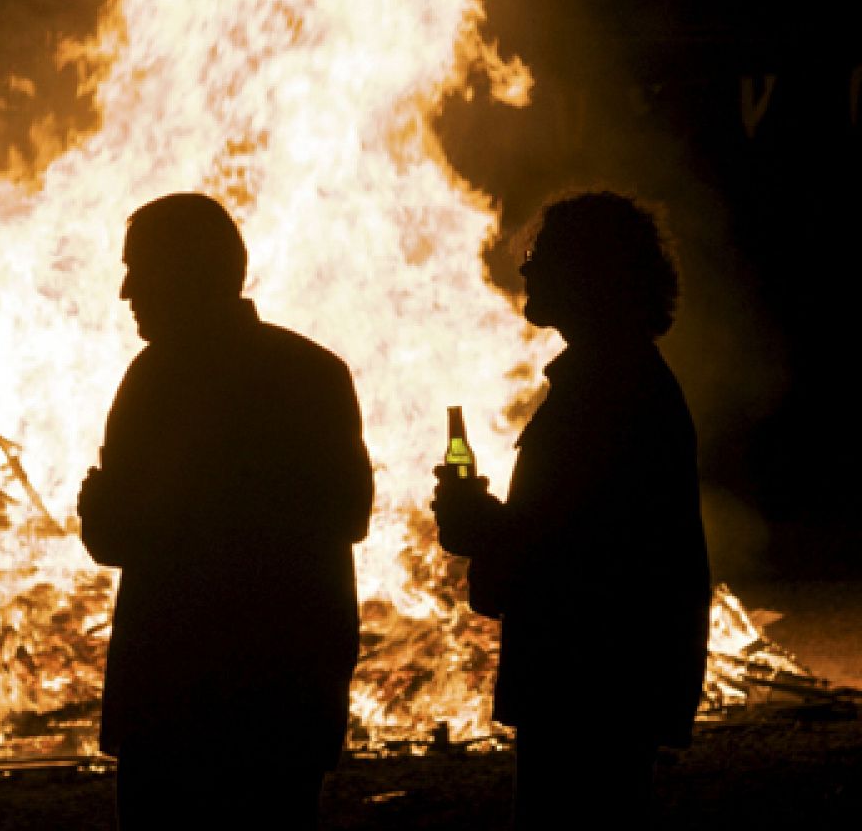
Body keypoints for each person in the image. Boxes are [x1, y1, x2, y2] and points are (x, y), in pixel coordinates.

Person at [77, 192, 374, 828]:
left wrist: (98, 504)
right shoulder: (315, 371)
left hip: (175, 693)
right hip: (289, 690)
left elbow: (117, 535)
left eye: (139, 269)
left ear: (185, 272)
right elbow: (350, 514)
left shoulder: (156, 380)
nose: (126, 291)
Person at [432, 190, 711, 830]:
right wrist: (489, 527)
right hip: (600, 673)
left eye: (541, 255)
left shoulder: (610, 388)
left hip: (593, 679)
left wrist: (482, 527)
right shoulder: (612, 376)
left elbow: (580, 553)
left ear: (591, 272)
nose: (526, 270)